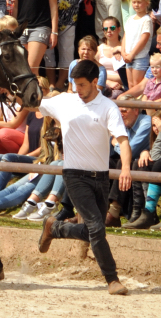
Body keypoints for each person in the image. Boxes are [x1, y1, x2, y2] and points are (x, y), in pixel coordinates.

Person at [38, 59, 132, 295]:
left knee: (95, 230)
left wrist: (126, 169)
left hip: (100, 177)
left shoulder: (108, 107)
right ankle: (112, 279)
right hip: (74, 175)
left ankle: (54, 228)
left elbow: (122, 140)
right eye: (74, 84)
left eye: (81, 85)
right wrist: (12, 93)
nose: (77, 89)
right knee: (96, 227)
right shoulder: (65, 101)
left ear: (94, 82)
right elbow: (33, 105)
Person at [0, 77, 49, 200]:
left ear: (46, 91)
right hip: (27, 153)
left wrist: (23, 158)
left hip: (39, 158)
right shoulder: (32, 113)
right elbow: (26, 143)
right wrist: (18, 159)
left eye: (40, 88)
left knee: (7, 155)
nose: (36, 91)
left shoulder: (50, 116)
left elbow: (47, 147)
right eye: (34, 88)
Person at [123, 110, 161, 228]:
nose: (156, 129)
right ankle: (142, 211)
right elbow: (154, 155)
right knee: (138, 164)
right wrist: (145, 152)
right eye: (154, 126)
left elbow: (156, 157)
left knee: (160, 164)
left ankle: (153, 212)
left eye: (158, 125)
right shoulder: (159, 137)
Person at [106, 95, 151, 226]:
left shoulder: (146, 122)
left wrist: (115, 143)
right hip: (130, 161)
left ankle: (114, 212)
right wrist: (109, 137)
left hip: (142, 162)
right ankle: (96, 210)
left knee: (123, 163)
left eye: (124, 111)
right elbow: (107, 152)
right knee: (103, 162)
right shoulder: (123, 124)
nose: (121, 114)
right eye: (118, 111)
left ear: (136, 110)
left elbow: (130, 150)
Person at [121, 0, 152, 89]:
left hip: (140, 57)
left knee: (137, 85)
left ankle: (139, 105)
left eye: (139, 2)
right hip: (128, 56)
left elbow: (144, 39)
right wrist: (123, 52)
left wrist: (132, 54)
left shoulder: (146, 20)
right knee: (130, 85)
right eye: (134, 2)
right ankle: (131, 105)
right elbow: (125, 36)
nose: (136, 5)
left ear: (147, 3)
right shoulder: (130, 19)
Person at [96, 16, 125, 93]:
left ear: (119, 29)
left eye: (112, 28)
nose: (108, 31)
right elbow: (93, 73)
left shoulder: (125, 49)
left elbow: (126, 76)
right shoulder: (98, 49)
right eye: (105, 29)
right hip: (101, 85)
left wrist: (103, 76)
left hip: (120, 87)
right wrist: (108, 82)